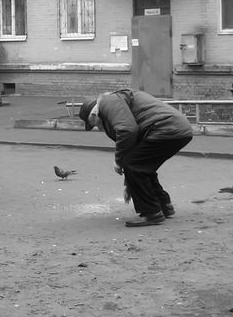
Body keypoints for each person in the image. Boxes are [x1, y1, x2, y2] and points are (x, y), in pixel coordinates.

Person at [79, 89, 193, 227]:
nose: (96, 127)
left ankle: (151, 213)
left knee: (135, 165)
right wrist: (129, 184)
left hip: (166, 129)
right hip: (176, 128)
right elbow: (132, 149)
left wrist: (118, 161)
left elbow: (127, 131)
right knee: (142, 167)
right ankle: (164, 206)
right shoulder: (114, 105)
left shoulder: (107, 102)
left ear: (93, 114)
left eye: (92, 124)